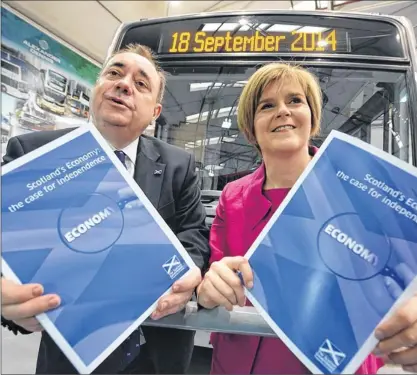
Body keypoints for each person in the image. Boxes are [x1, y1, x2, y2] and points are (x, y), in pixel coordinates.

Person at [1, 43, 211, 374]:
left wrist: (191, 268)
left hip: (156, 352)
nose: (124, 84)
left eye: (141, 83)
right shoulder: (32, 155)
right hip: (73, 357)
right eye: (114, 73)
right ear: (97, 87)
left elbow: (194, 231)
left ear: (155, 112)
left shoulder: (177, 165)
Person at [197, 62, 417, 374]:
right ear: (251, 126)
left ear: (312, 116)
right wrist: (209, 289)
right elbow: (214, 273)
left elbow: (397, 271)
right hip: (237, 361)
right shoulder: (232, 197)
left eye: (295, 100)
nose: (283, 111)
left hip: (329, 362)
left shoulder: (362, 189)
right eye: (267, 105)